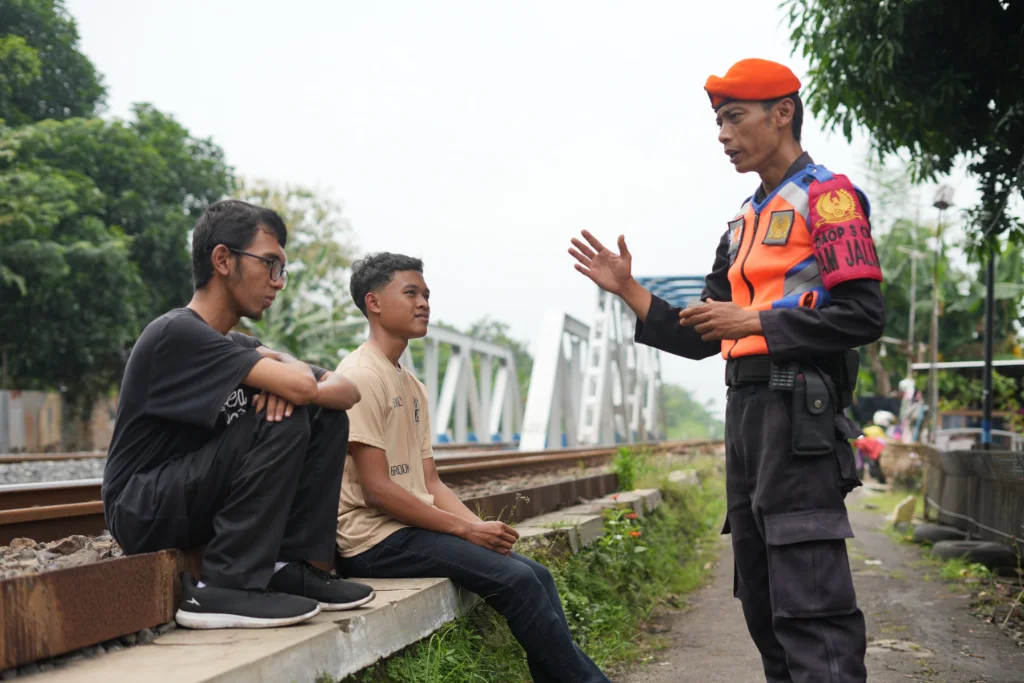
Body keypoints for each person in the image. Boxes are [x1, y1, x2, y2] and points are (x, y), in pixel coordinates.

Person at [569, 59, 884, 682]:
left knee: (810, 601)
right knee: (763, 596)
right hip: (746, 419)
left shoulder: (830, 197)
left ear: (783, 112)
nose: (722, 134)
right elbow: (702, 335)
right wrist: (630, 290)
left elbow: (863, 315)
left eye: (734, 117)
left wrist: (760, 325)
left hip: (798, 415)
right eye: (718, 121)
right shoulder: (742, 220)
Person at [334, 252, 610, 683]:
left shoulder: (412, 385)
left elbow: (429, 481)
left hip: (409, 531)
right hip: (374, 539)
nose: (424, 303)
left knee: (532, 572)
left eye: (426, 294)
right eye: (410, 293)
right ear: (373, 302)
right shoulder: (361, 376)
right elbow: (377, 490)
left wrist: (483, 533)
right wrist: (465, 531)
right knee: (516, 582)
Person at [103, 199, 375, 630]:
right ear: (223, 259)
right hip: (142, 507)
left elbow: (346, 391)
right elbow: (306, 386)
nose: (277, 282)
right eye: (269, 264)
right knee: (287, 414)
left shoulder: (235, 345)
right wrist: (295, 383)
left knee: (323, 416)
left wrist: (290, 373)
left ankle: (288, 565)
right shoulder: (177, 333)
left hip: (191, 498)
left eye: (281, 270)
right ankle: (224, 589)